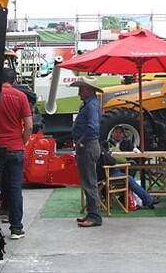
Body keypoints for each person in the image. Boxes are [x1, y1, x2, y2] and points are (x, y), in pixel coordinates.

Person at [0, 68, 32, 240]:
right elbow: (29, 126)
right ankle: (16, 228)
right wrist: (22, 142)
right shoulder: (21, 97)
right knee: (15, 189)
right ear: (14, 81)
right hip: (16, 148)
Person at [71, 76, 103, 228]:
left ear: (89, 90)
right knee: (88, 181)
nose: (79, 93)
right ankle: (92, 213)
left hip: (88, 146)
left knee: (89, 182)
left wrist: (81, 140)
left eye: (81, 89)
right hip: (88, 145)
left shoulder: (90, 106)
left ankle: (94, 216)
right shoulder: (90, 104)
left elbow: (93, 127)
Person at [106, 127, 159, 209]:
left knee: (131, 171)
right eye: (116, 132)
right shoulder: (106, 143)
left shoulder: (127, 142)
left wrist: (136, 151)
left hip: (125, 168)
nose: (118, 134)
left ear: (123, 134)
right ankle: (146, 200)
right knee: (129, 179)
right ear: (112, 133)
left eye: (120, 132)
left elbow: (135, 150)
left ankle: (127, 197)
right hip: (111, 170)